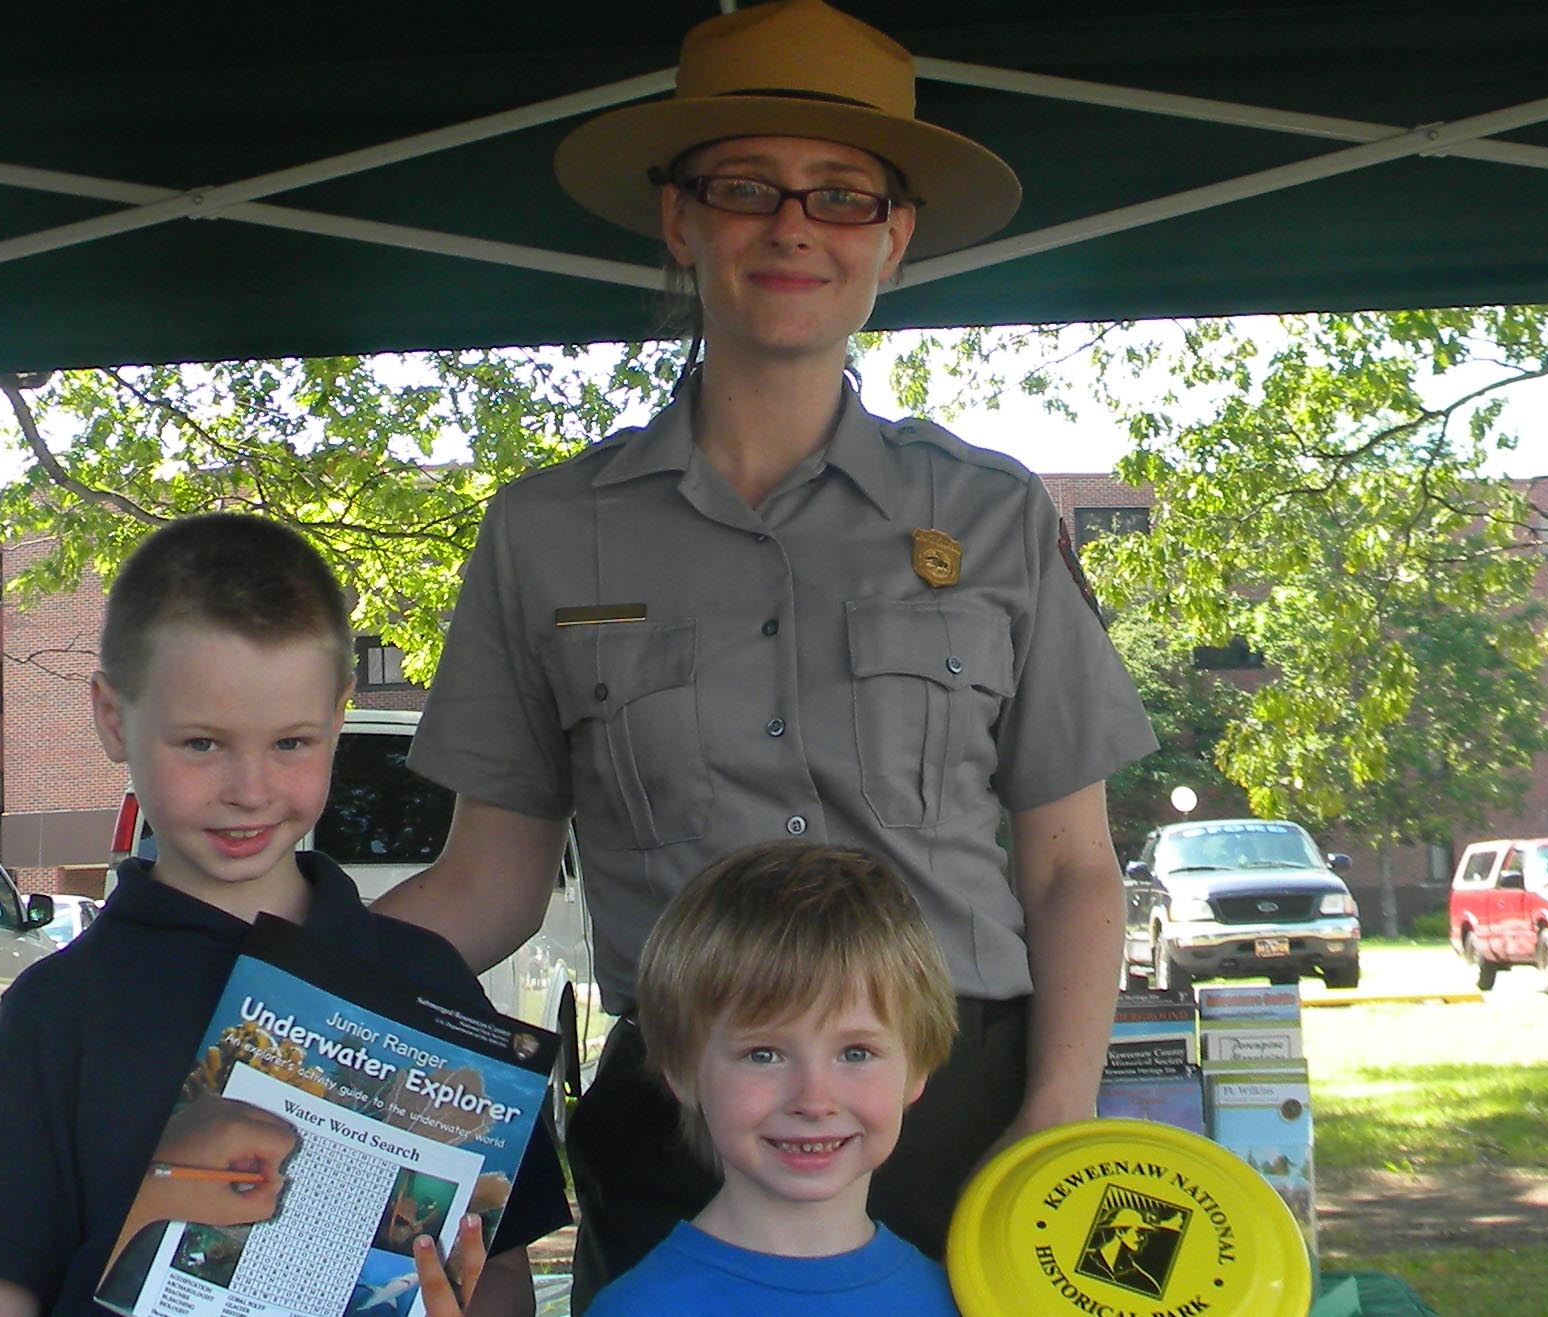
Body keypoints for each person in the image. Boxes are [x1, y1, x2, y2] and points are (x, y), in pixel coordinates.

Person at [378, 0, 1157, 1302]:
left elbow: (1074, 869)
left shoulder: (993, 515)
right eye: (745, 187)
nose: (792, 226)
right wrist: (258, 966)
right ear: (679, 219)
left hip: (965, 1117)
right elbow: (488, 887)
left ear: (893, 237)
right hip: (684, 1130)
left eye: (841, 195)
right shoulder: (544, 534)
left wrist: (1055, 1122)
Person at [0, 514, 569, 1317]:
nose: (249, 787)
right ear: (111, 716)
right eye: (202, 743)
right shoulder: (61, 1008)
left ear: (339, 717)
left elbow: (504, 1273)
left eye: (291, 743)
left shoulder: (426, 980)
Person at [587, 843, 961, 1315]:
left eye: (856, 1052)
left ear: (918, 1068)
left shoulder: (967, 1299)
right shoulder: (640, 1309)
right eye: (763, 1055)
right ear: (681, 1072)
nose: (814, 1099)